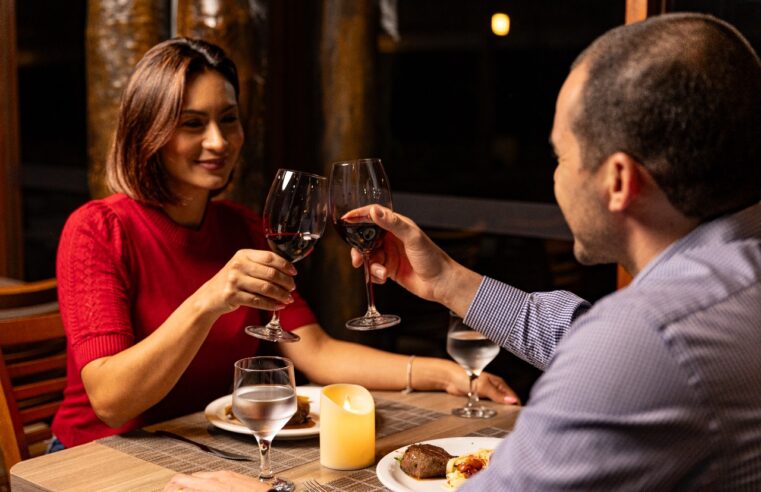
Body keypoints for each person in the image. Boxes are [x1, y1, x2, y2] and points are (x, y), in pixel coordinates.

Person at [164, 12, 761, 491]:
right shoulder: (733, 281)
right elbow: (580, 333)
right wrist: (450, 282)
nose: (553, 178)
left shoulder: (648, 337)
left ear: (619, 181)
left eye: (559, 157)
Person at [50, 37, 518, 451]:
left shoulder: (242, 228)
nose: (218, 141)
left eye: (228, 119)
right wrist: (209, 300)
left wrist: (446, 373)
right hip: (100, 457)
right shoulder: (97, 230)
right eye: (192, 123)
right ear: (147, 132)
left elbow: (316, 352)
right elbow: (111, 402)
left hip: (200, 448)